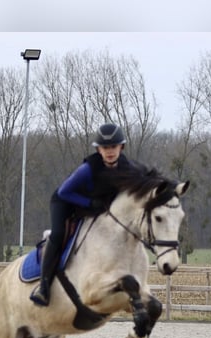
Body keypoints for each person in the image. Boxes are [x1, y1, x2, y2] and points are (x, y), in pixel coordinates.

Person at [29, 122, 134, 307]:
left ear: (121, 147)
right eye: (105, 147)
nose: (110, 151)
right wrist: (89, 203)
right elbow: (64, 192)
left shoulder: (128, 169)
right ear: (98, 150)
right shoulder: (87, 170)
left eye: (113, 146)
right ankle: (44, 287)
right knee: (59, 234)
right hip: (65, 202)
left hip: (94, 207)